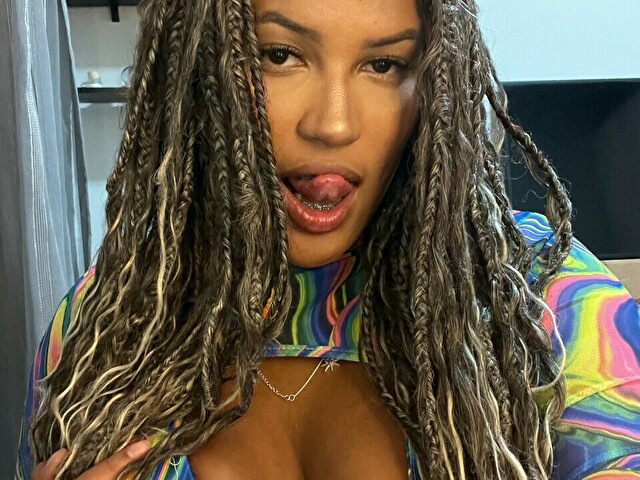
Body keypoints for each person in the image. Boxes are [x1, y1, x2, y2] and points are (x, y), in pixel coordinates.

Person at [16, 0, 640, 478]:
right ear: (197, 63)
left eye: (384, 64)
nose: (334, 124)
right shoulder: (108, 327)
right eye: (280, 55)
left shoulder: (537, 299)